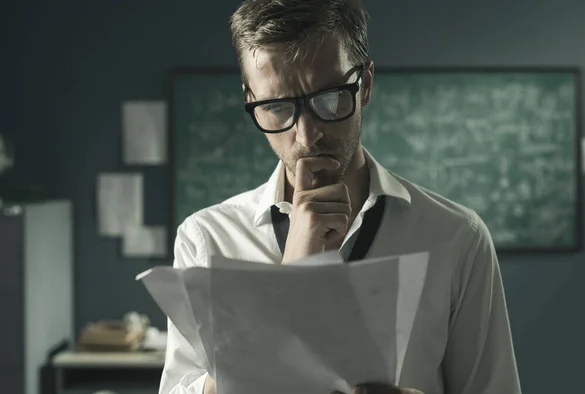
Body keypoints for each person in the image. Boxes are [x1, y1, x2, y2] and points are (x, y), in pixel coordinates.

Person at [160, 0, 522, 393]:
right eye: (277, 107)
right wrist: (289, 281)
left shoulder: (456, 237)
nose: (306, 135)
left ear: (364, 84)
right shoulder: (206, 239)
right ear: (251, 101)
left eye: (329, 98)